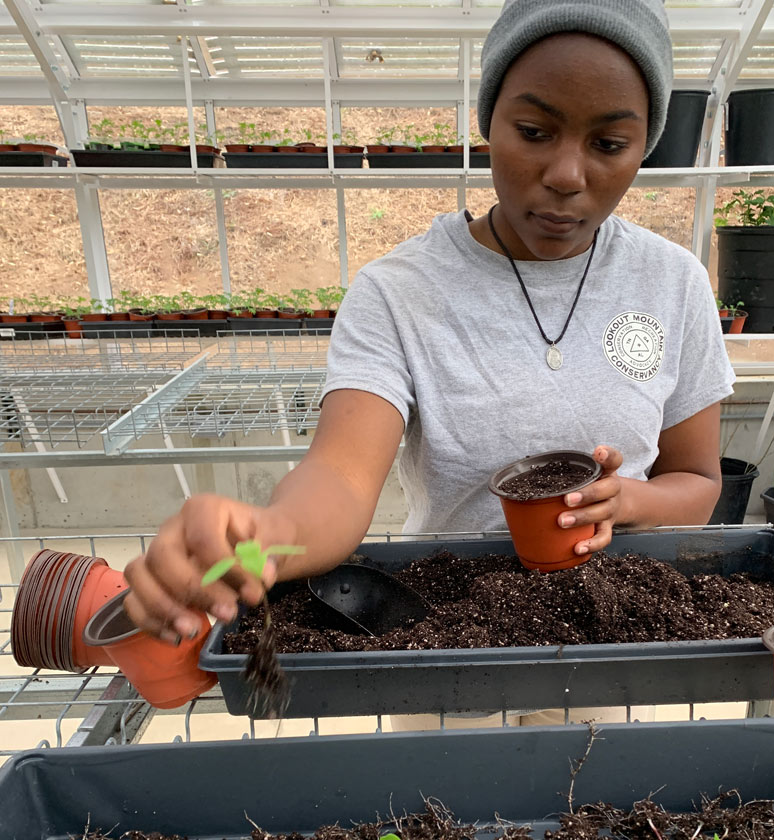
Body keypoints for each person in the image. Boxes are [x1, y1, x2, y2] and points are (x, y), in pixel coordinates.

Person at [123, 0, 734, 727]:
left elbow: (696, 482)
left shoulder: (672, 282)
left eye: (609, 143)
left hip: (613, 641)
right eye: (533, 132)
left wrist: (629, 503)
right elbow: (342, 477)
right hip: (447, 654)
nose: (567, 174)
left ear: (644, 146)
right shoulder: (401, 293)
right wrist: (260, 536)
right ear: (489, 118)